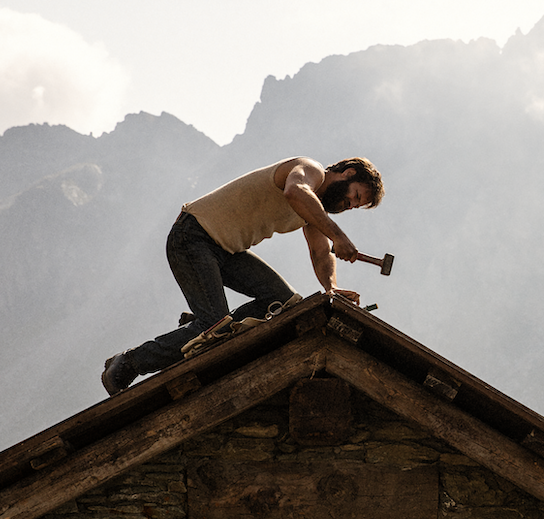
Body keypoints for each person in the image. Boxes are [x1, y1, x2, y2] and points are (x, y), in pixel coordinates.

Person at [101, 156, 384, 395]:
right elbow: (294, 191)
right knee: (214, 325)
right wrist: (338, 234)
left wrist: (331, 289)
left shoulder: (314, 210)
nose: (350, 205)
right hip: (193, 235)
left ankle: (207, 329)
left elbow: (322, 254)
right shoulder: (309, 169)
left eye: (355, 206)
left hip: (226, 251)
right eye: (355, 196)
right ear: (348, 173)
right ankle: (130, 362)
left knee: (282, 302)